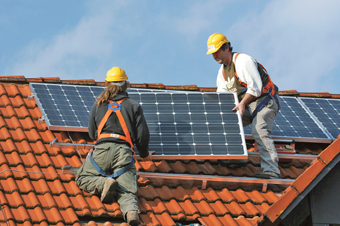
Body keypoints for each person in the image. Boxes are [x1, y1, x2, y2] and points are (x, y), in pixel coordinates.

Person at [75, 67, 152, 226]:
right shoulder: (133, 105)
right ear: (126, 84)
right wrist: (144, 154)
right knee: (127, 189)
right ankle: (131, 212)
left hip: (102, 151)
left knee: (82, 178)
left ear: (106, 83)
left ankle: (103, 183)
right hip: (124, 153)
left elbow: (91, 133)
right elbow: (142, 136)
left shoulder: (99, 104)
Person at [206, 33, 281, 179]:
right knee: (227, 120)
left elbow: (256, 88)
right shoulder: (222, 72)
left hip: (265, 102)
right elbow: (223, 96)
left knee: (259, 130)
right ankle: (235, 157)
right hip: (246, 105)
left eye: (217, 52)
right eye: (212, 54)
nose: (215, 56)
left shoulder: (242, 61)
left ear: (226, 47)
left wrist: (242, 104)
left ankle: (271, 171)